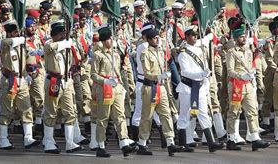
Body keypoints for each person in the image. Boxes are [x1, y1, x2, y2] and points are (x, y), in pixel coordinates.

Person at [91, 25, 137, 157]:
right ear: (104, 40)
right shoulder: (97, 55)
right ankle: (100, 145)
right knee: (103, 117)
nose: (111, 41)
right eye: (109, 39)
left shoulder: (116, 55)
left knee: (120, 115)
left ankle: (123, 143)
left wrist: (121, 86)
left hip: (116, 87)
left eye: (112, 38)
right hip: (104, 88)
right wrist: (105, 81)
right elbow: (94, 74)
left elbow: (119, 72)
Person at [136, 28, 184, 156]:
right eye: (155, 38)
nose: (158, 40)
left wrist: (163, 78)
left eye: (158, 38)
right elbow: (147, 73)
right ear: (150, 40)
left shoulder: (161, 52)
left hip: (161, 87)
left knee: (166, 114)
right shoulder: (145, 53)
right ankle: (141, 144)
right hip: (149, 87)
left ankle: (170, 143)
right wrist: (159, 76)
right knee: (147, 116)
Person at [176, 26, 224, 153]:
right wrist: (201, 74)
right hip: (187, 88)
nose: (195, 37)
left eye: (196, 35)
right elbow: (185, 72)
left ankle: (211, 143)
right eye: (192, 35)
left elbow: (205, 41)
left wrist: (205, 79)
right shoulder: (183, 54)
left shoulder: (199, 49)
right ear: (186, 37)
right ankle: (182, 144)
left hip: (200, 87)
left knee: (203, 113)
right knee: (184, 115)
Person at [225, 27, 270, 151]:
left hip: (248, 84)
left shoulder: (249, 51)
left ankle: (255, 138)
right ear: (235, 38)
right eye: (241, 37)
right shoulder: (231, 52)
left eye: (244, 36)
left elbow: (250, 66)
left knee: (252, 111)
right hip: (236, 86)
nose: (244, 38)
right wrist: (240, 75)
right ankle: (231, 138)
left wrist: (251, 75)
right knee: (234, 112)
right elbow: (230, 71)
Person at [0, 19, 40, 149]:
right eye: (15, 32)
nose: (18, 33)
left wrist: (33, 69)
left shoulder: (22, 45)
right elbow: (6, 42)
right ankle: (3, 139)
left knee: (26, 108)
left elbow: (31, 55)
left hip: (22, 80)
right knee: (6, 110)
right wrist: (21, 39)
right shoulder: (5, 44)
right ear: (10, 33)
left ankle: (28, 137)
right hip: (9, 81)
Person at [42, 20, 81, 154]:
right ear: (54, 35)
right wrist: (63, 43)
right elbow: (47, 48)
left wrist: (69, 44)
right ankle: (48, 141)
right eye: (60, 34)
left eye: (64, 33)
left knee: (70, 112)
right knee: (51, 112)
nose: (63, 35)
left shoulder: (66, 46)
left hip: (67, 81)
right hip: (54, 80)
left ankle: (70, 142)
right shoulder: (49, 44)